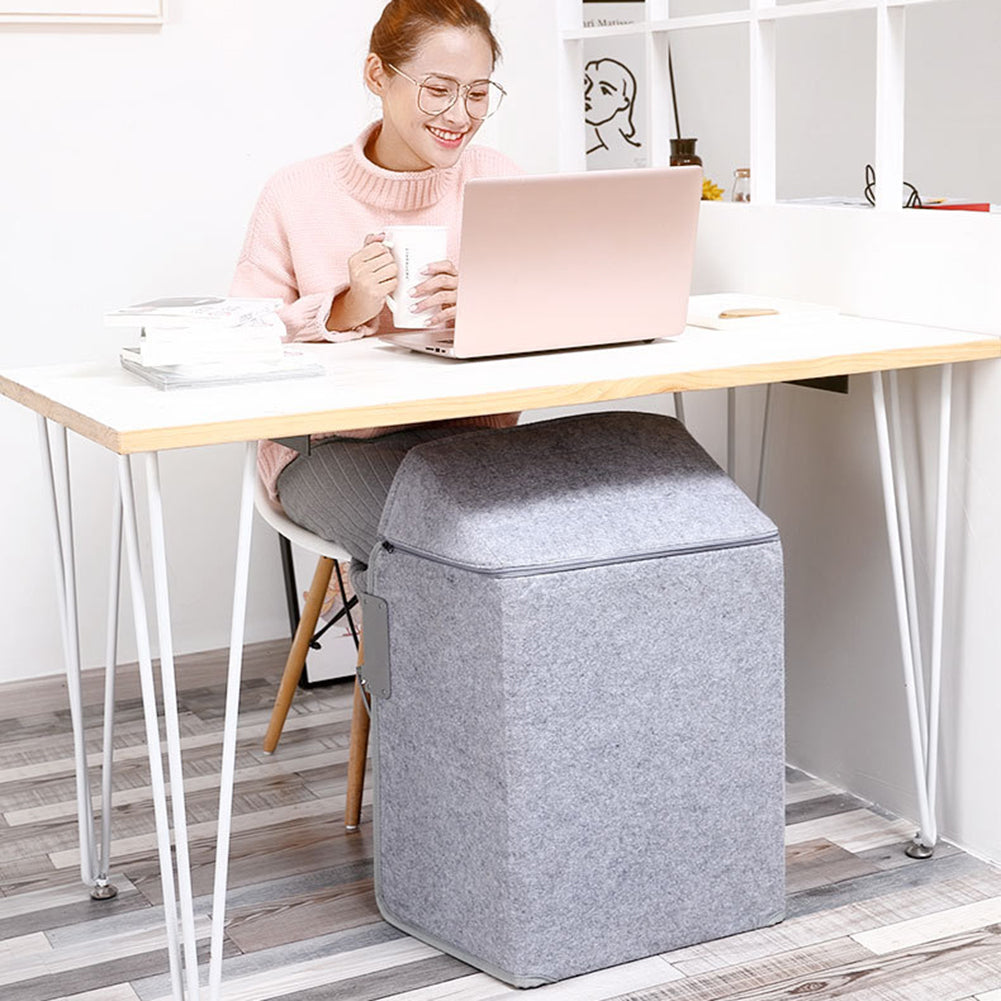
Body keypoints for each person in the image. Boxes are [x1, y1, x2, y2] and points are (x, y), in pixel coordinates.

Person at [230, 0, 520, 578]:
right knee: (448, 550)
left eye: (478, 93)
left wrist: (494, 309)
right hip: (329, 450)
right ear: (377, 76)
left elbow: (558, 312)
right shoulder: (296, 193)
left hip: (472, 440)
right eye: (438, 89)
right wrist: (342, 310)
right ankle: (401, 671)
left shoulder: (498, 180)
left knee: (578, 524)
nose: (459, 115)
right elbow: (241, 337)